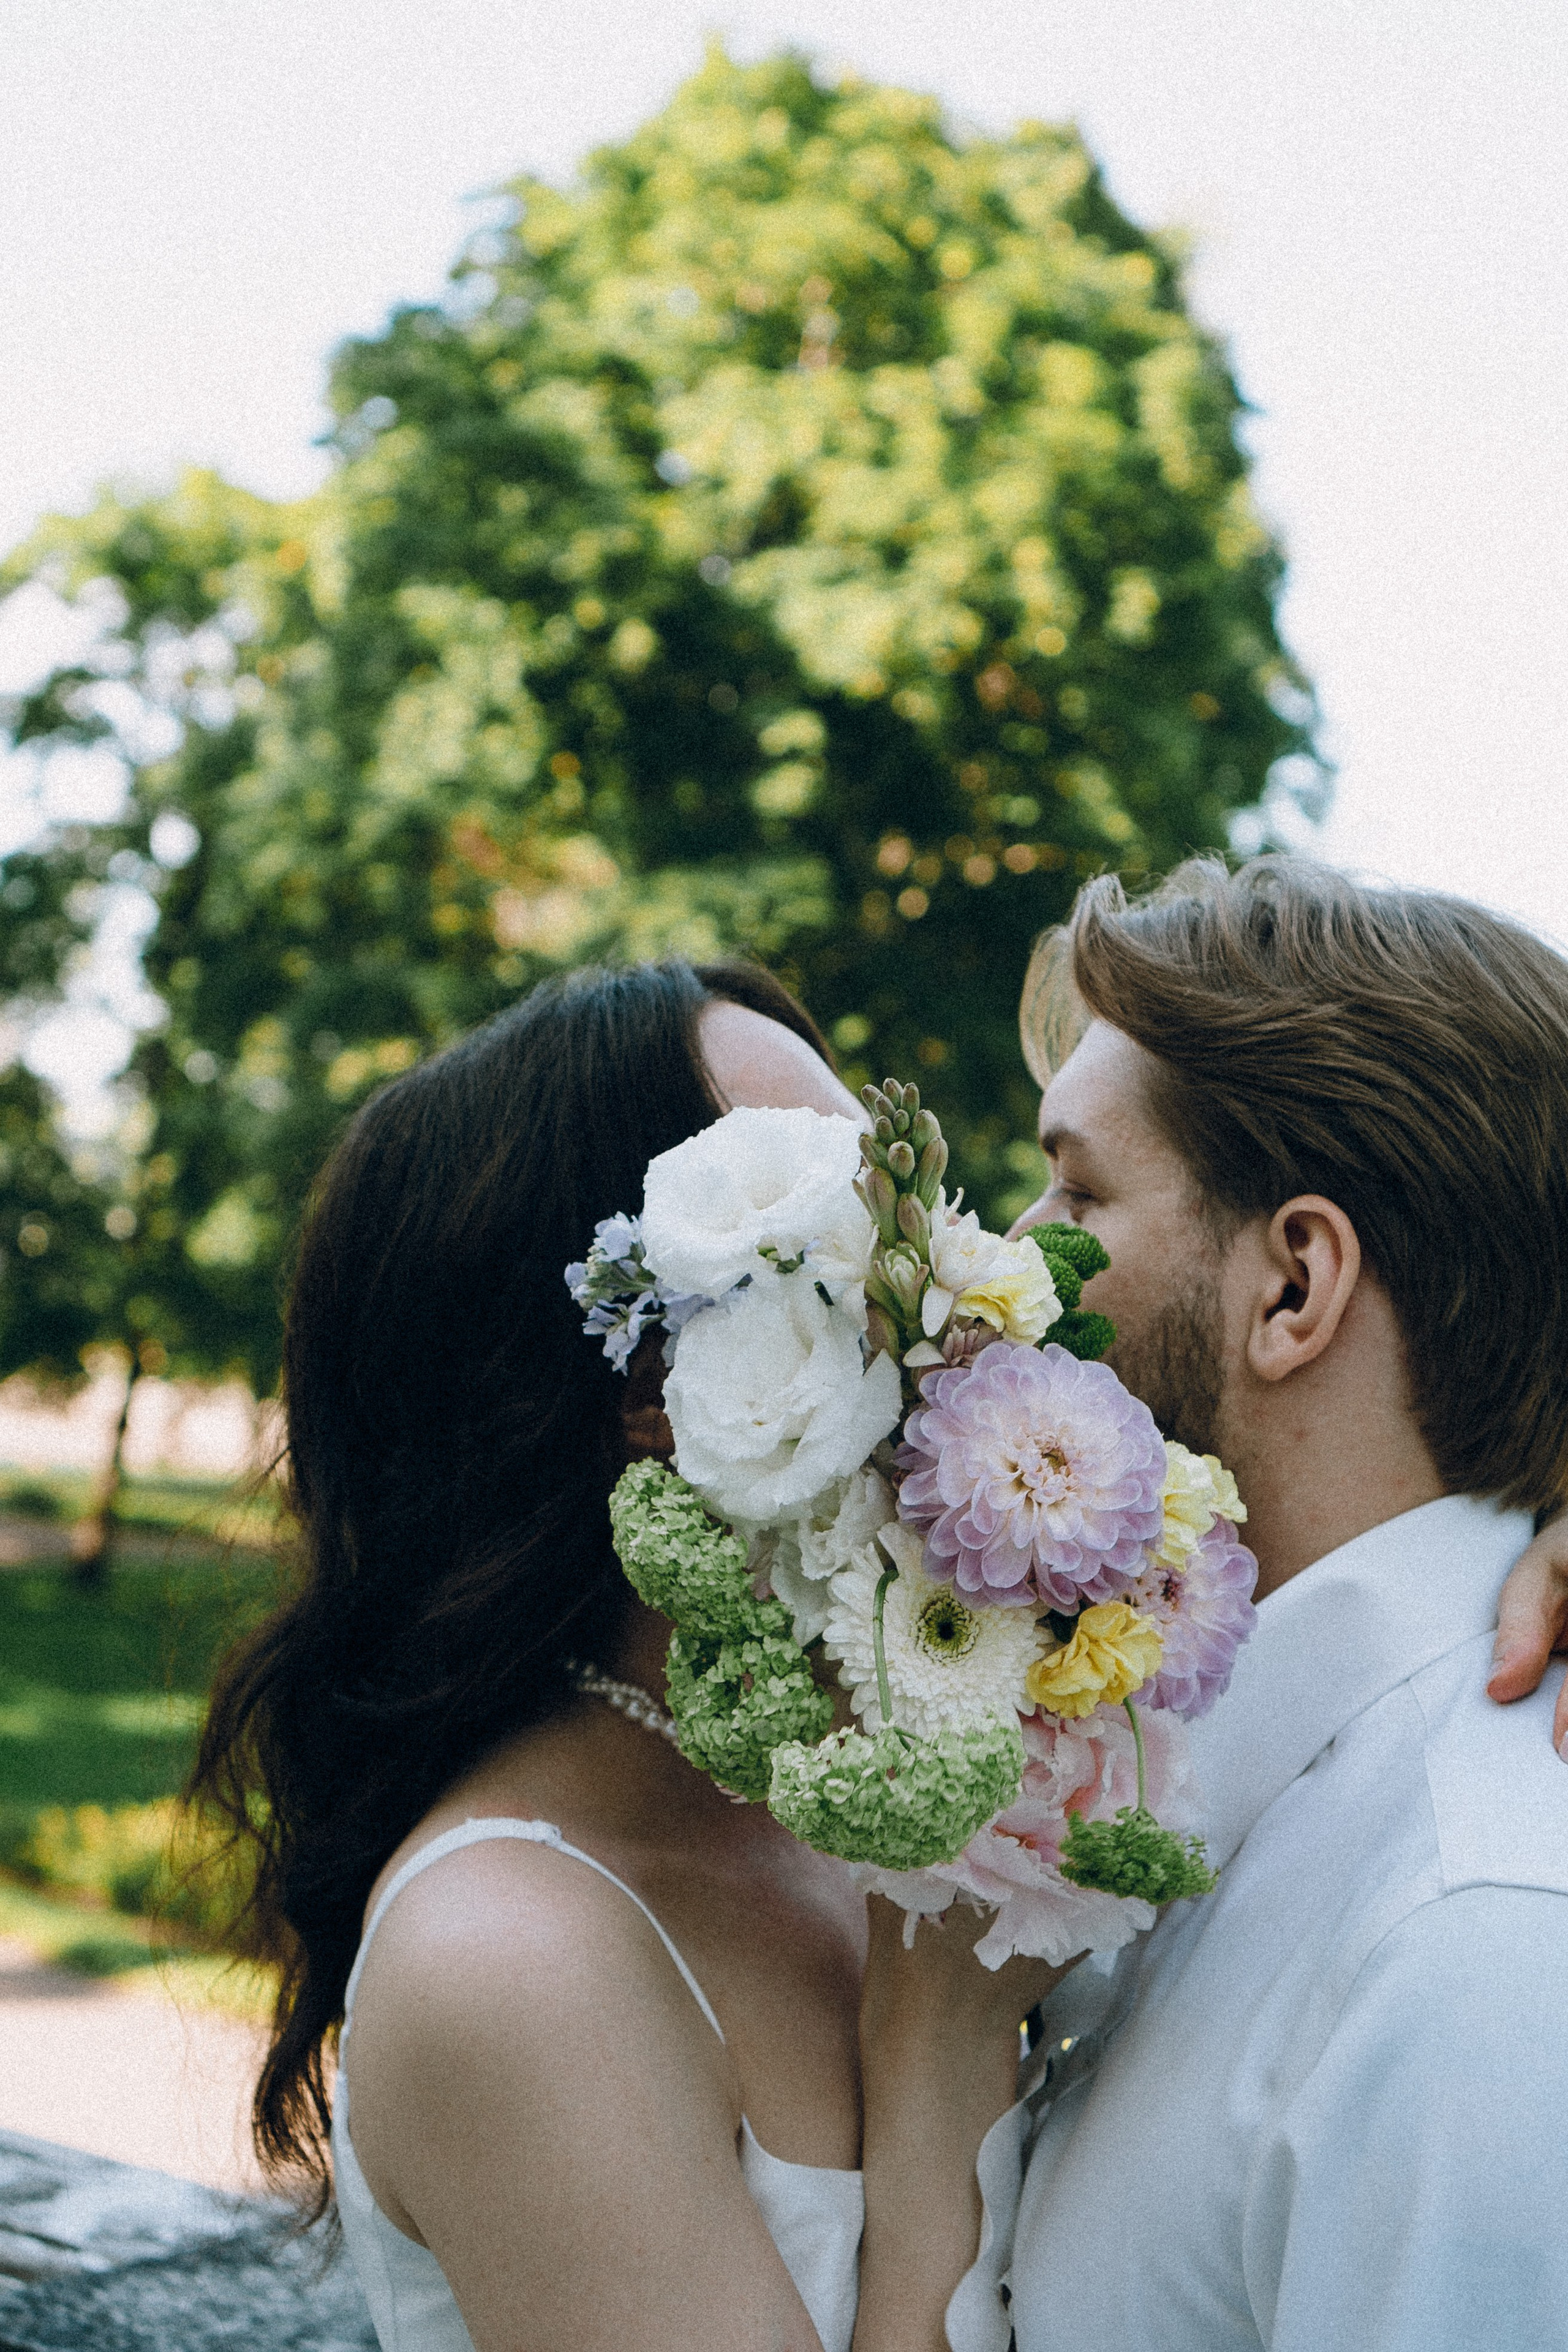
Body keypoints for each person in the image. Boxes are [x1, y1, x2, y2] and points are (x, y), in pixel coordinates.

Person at [190, 956, 1058, 2352]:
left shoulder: (855, 1794)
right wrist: (940, 2067)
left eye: (922, 1208)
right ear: (653, 1394)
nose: (958, 1282)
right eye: (858, 1227)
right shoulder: (515, 1959)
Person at [997, 857, 1568, 2351]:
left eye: (1074, 1190)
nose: (999, 1271)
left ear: (1292, 1287)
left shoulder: (1472, 1948)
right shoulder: (1232, 1810)